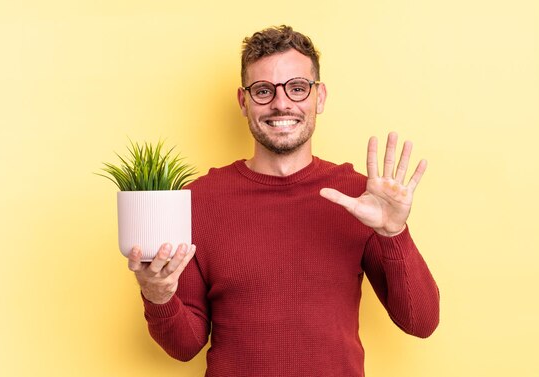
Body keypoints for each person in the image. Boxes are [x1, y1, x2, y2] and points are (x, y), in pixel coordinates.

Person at [127, 25, 439, 377]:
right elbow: (185, 347)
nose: (281, 103)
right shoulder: (197, 200)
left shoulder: (360, 198)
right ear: (243, 102)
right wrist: (158, 296)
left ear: (319, 97)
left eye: (297, 88)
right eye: (263, 90)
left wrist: (394, 232)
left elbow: (421, 322)